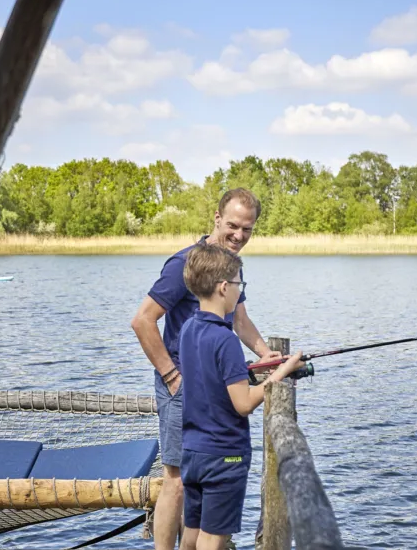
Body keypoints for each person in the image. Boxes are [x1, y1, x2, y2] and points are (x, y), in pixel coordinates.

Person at [130, 188, 281, 550]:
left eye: (247, 229)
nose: (239, 235)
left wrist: (267, 355)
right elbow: (143, 320)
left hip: (215, 386)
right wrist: (172, 377)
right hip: (182, 385)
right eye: (233, 226)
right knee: (177, 480)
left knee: (203, 478)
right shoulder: (184, 264)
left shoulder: (229, 267)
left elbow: (239, 320)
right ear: (216, 218)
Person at [178, 243, 303, 550]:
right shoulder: (226, 339)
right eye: (239, 284)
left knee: (192, 532)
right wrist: (282, 372)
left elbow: (210, 377)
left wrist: (253, 368)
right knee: (212, 538)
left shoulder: (188, 329)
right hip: (224, 455)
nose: (239, 290)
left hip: (193, 451)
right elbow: (243, 404)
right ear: (224, 287)